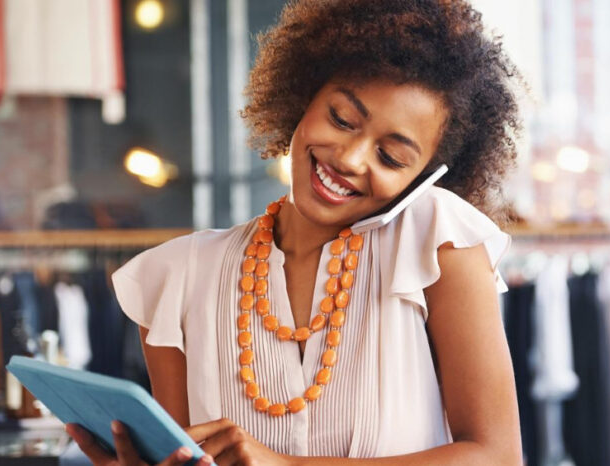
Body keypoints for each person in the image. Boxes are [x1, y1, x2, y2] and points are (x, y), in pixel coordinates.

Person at [66, 0, 526, 464]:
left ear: (425, 178)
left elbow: (497, 456)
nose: (350, 158)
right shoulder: (178, 274)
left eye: (390, 157)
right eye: (342, 119)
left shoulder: (439, 244)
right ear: (304, 96)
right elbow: (187, 455)